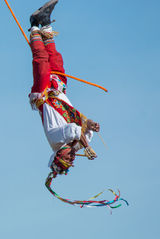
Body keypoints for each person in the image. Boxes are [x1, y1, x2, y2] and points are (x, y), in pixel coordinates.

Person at [27, 0, 100, 175]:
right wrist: (91, 126)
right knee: (56, 61)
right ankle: (45, 23)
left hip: (44, 94)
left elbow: (74, 129)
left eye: (66, 159)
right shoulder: (77, 143)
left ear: (58, 155)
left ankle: (34, 27)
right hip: (58, 91)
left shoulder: (56, 141)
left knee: (42, 62)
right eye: (71, 161)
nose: (71, 158)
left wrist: (87, 144)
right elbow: (83, 129)